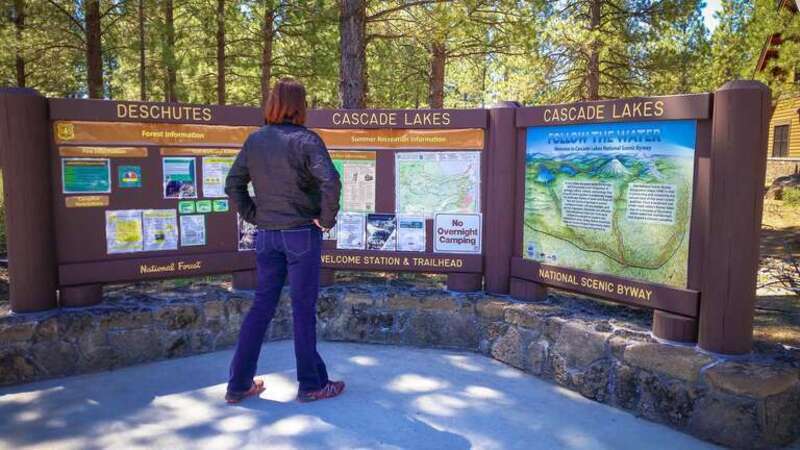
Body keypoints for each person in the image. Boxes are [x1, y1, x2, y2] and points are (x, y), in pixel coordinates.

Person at [224, 78, 344, 404]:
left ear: (273, 103)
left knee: (261, 307)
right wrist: (326, 219)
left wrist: (255, 215)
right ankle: (311, 385)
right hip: (301, 235)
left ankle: (238, 385)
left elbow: (233, 184)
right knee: (303, 310)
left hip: (267, 237)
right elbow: (330, 180)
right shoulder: (306, 140)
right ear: (300, 105)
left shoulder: (255, 141)